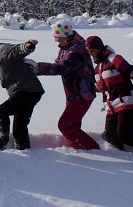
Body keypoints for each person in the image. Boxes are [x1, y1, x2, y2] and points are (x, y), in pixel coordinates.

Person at [86, 36, 133, 156]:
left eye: (93, 50)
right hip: (111, 106)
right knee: (110, 135)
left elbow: (129, 69)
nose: (91, 53)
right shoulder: (97, 68)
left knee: (124, 134)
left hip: (127, 101)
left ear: (100, 47)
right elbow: (101, 88)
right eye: (89, 51)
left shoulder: (114, 58)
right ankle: (124, 154)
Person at [35, 19, 99, 150]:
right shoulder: (67, 47)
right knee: (73, 125)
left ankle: (93, 149)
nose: (55, 40)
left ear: (64, 35)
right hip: (73, 93)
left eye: (56, 36)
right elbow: (59, 64)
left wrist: (37, 68)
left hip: (81, 94)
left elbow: (62, 67)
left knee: (64, 125)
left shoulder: (77, 50)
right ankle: (76, 149)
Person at [0, 34, 44, 150]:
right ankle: (23, 149)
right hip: (30, 90)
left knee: (1, 112)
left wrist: (28, 46)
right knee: (19, 126)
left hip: (27, 90)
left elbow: (18, 50)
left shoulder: (3, 50)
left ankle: (0, 145)